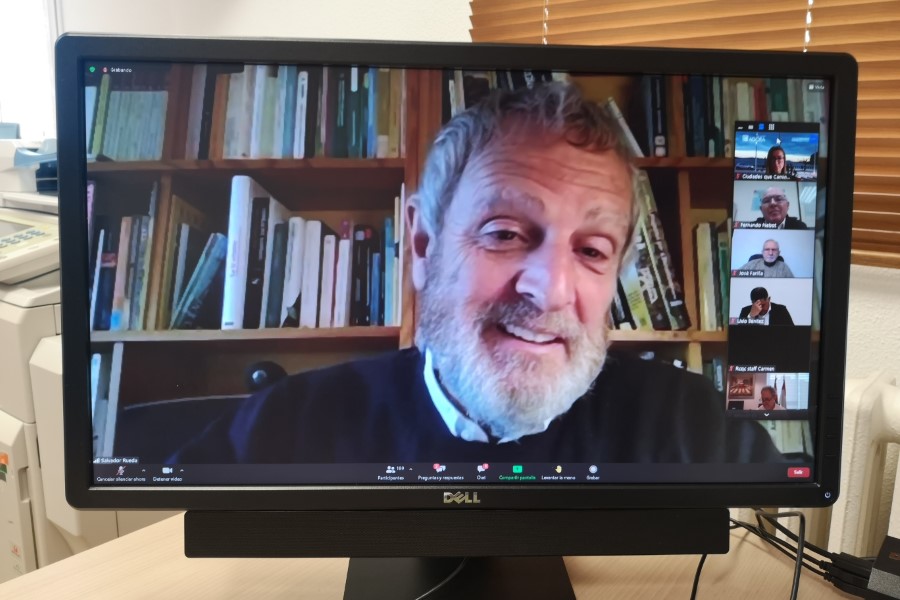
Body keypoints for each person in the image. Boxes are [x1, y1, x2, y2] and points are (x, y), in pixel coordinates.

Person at [171, 82, 782, 465]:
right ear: (423, 244)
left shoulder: (704, 433)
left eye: (593, 250)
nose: (551, 290)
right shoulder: (283, 427)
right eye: (505, 234)